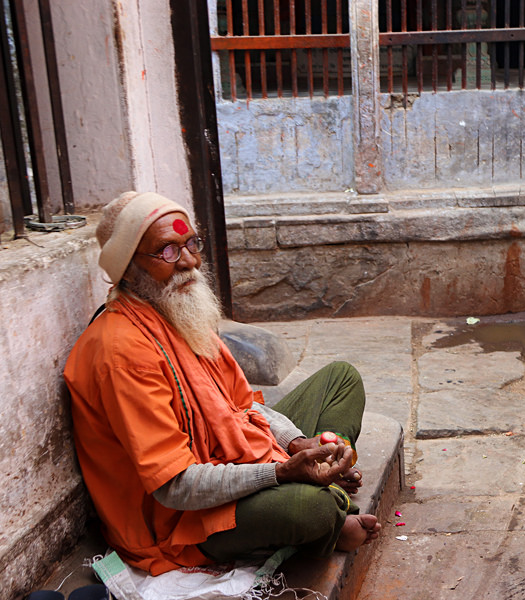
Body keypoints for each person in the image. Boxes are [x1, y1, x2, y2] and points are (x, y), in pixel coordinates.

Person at [64, 191, 381, 576]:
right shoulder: (122, 354)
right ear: (129, 268)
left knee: (341, 378)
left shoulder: (177, 309)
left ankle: (330, 472)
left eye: (191, 244)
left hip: (233, 458)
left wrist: (299, 445)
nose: (189, 262)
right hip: (180, 521)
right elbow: (175, 487)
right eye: (167, 251)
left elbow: (244, 406)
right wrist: (282, 472)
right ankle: (328, 521)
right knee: (309, 509)